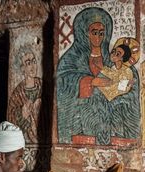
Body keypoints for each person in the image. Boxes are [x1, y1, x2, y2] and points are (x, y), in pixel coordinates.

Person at [57, 7, 140, 145]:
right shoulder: (72, 57)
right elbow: (62, 81)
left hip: (113, 114)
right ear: (85, 33)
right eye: (94, 33)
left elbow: (129, 78)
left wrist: (124, 87)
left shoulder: (112, 57)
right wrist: (90, 82)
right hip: (85, 115)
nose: (98, 37)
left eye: (102, 33)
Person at [8, 46, 42, 144]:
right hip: (25, 142)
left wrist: (39, 105)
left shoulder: (43, 86)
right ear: (22, 68)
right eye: (28, 63)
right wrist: (22, 114)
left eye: (34, 61)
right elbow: (11, 117)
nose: (32, 66)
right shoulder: (17, 94)